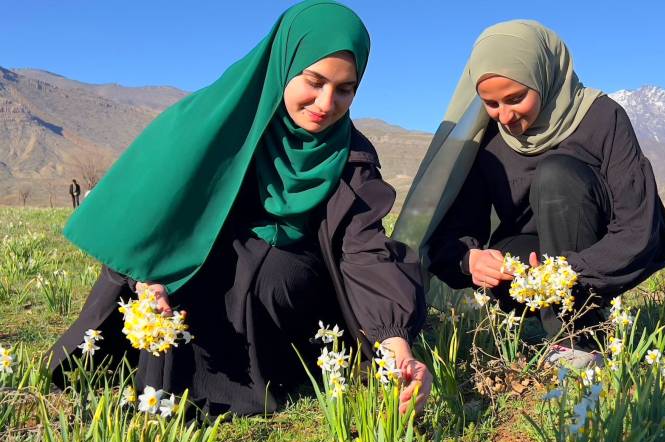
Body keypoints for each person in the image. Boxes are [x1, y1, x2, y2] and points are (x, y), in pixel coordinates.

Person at [48, 0, 431, 416]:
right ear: (283, 65)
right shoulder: (216, 121)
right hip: (200, 250)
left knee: (270, 274)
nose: (325, 103)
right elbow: (158, 207)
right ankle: (156, 386)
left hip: (292, 278)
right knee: (184, 279)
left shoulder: (350, 155)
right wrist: (149, 279)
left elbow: (363, 250)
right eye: (314, 81)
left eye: (344, 89)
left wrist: (395, 343)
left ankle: (245, 387)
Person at [393, 20, 665, 368]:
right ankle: (567, 333)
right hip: (532, 265)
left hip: (598, 254)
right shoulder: (489, 139)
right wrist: (471, 261)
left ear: (544, 76)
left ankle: (578, 339)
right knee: (505, 253)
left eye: (516, 99)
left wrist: (569, 272)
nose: (506, 116)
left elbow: (637, 228)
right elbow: (451, 235)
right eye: (491, 104)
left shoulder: (601, 117)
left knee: (557, 173)